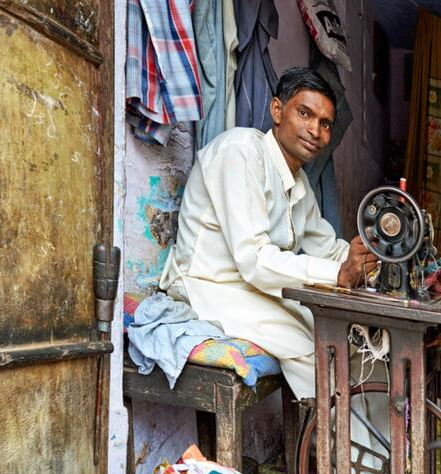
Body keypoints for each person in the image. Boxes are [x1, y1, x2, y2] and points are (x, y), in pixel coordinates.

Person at [160, 67, 377, 400]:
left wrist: (365, 259)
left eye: (325, 124)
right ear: (277, 111)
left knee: (345, 333)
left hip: (250, 289)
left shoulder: (298, 184)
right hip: (206, 285)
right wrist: (339, 272)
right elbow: (255, 260)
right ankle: (339, 443)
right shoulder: (240, 151)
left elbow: (326, 247)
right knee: (307, 345)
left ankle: (369, 445)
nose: (315, 130)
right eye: (304, 113)